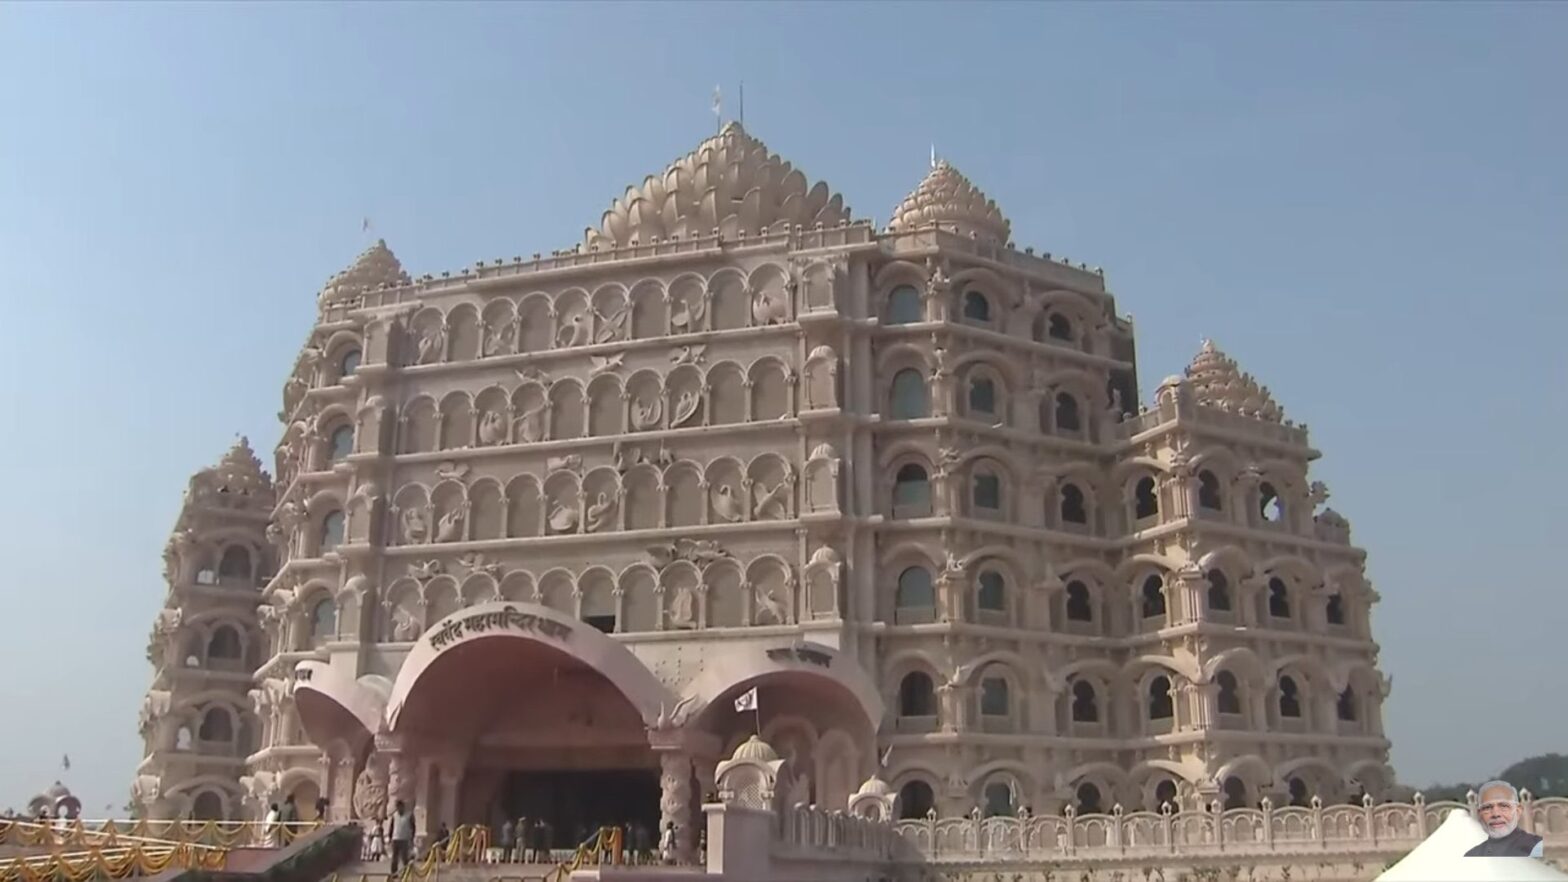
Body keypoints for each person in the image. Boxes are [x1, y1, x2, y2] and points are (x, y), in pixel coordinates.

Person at [1465, 780, 1544, 858]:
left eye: (1504, 806)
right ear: (1480, 814)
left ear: (1518, 811)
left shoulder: (1536, 847)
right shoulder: (1473, 855)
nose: (1496, 814)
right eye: (1487, 807)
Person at [389, 800, 416, 874]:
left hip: (405, 839)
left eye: (400, 807)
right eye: (397, 807)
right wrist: (390, 837)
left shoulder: (409, 815)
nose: (399, 809)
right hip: (395, 838)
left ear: (403, 807)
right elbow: (391, 827)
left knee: (404, 857)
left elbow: (413, 827)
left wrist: (412, 837)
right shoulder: (394, 816)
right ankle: (394, 872)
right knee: (395, 858)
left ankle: (406, 872)